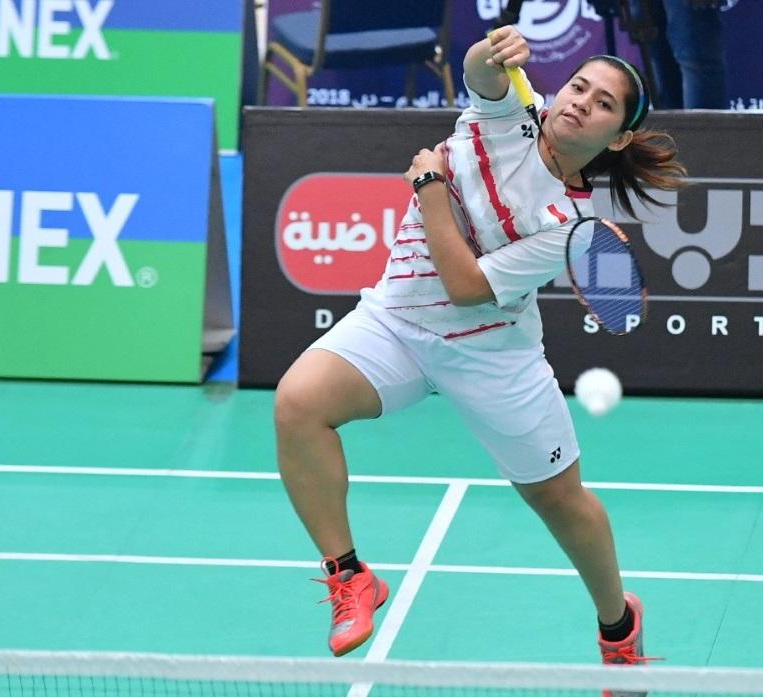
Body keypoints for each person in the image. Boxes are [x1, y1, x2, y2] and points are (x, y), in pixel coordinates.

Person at [272, 25, 686, 678]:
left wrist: (431, 184)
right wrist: (494, 50)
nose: (581, 101)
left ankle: (617, 622)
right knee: (297, 404)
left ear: (619, 137)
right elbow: (480, 72)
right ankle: (350, 575)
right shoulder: (507, 114)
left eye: (603, 103)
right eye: (578, 85)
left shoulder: (569, 229)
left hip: (493, 356)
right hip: (397, 323)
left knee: (559, 499)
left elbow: (467, 287)